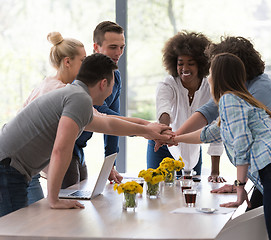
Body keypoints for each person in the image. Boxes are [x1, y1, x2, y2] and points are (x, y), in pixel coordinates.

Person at [0, 53, 172, 217]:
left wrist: (148, 129)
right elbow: (61, 149)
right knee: (13, 231)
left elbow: (109, 124)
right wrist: (54, 200)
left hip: (9, 166)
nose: (113, 90)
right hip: (7, 168)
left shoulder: (75, 96)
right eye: (113, 84)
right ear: (103, 83)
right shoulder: (79, 99)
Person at [175, 52, 271, 240]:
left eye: (210, 73)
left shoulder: (228, 100)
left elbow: (242, 142)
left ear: (218, 76)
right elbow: (209, 133)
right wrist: (175, 138)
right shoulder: (244, 102)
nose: (208, 78)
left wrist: (240, 187)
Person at [147, 31, 223, 177]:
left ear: (201, 65)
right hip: (163, 144)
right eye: (180, 63)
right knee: (158, 194)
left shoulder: (210, 87)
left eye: (191, 64)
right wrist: (165, 133)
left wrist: (215, 172)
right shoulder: (167, 84)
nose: (184, 69)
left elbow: (216, 128)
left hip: (194, 150)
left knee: (192, 195)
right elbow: (164, 111)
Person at [24, 32, 87, 205]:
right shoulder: (57, 91)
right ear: (67, 62)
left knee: (40, 215)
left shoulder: (51, 84)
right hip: (21, 167)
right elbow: (96, 119)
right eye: (83, 60)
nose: (86, 65)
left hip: (30, 167)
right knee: (35, 218)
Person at [70, 20, 125, 190]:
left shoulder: (116, 78)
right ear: (96, 47)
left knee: (84, 198)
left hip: (79, 149)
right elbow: (105, 116)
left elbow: (113, 124)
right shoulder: (84, 77)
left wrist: (110, 164)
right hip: (65, 148)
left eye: (122, 47)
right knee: (69, 203)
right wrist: (144, 128)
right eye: (113, 47)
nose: (118, 53)